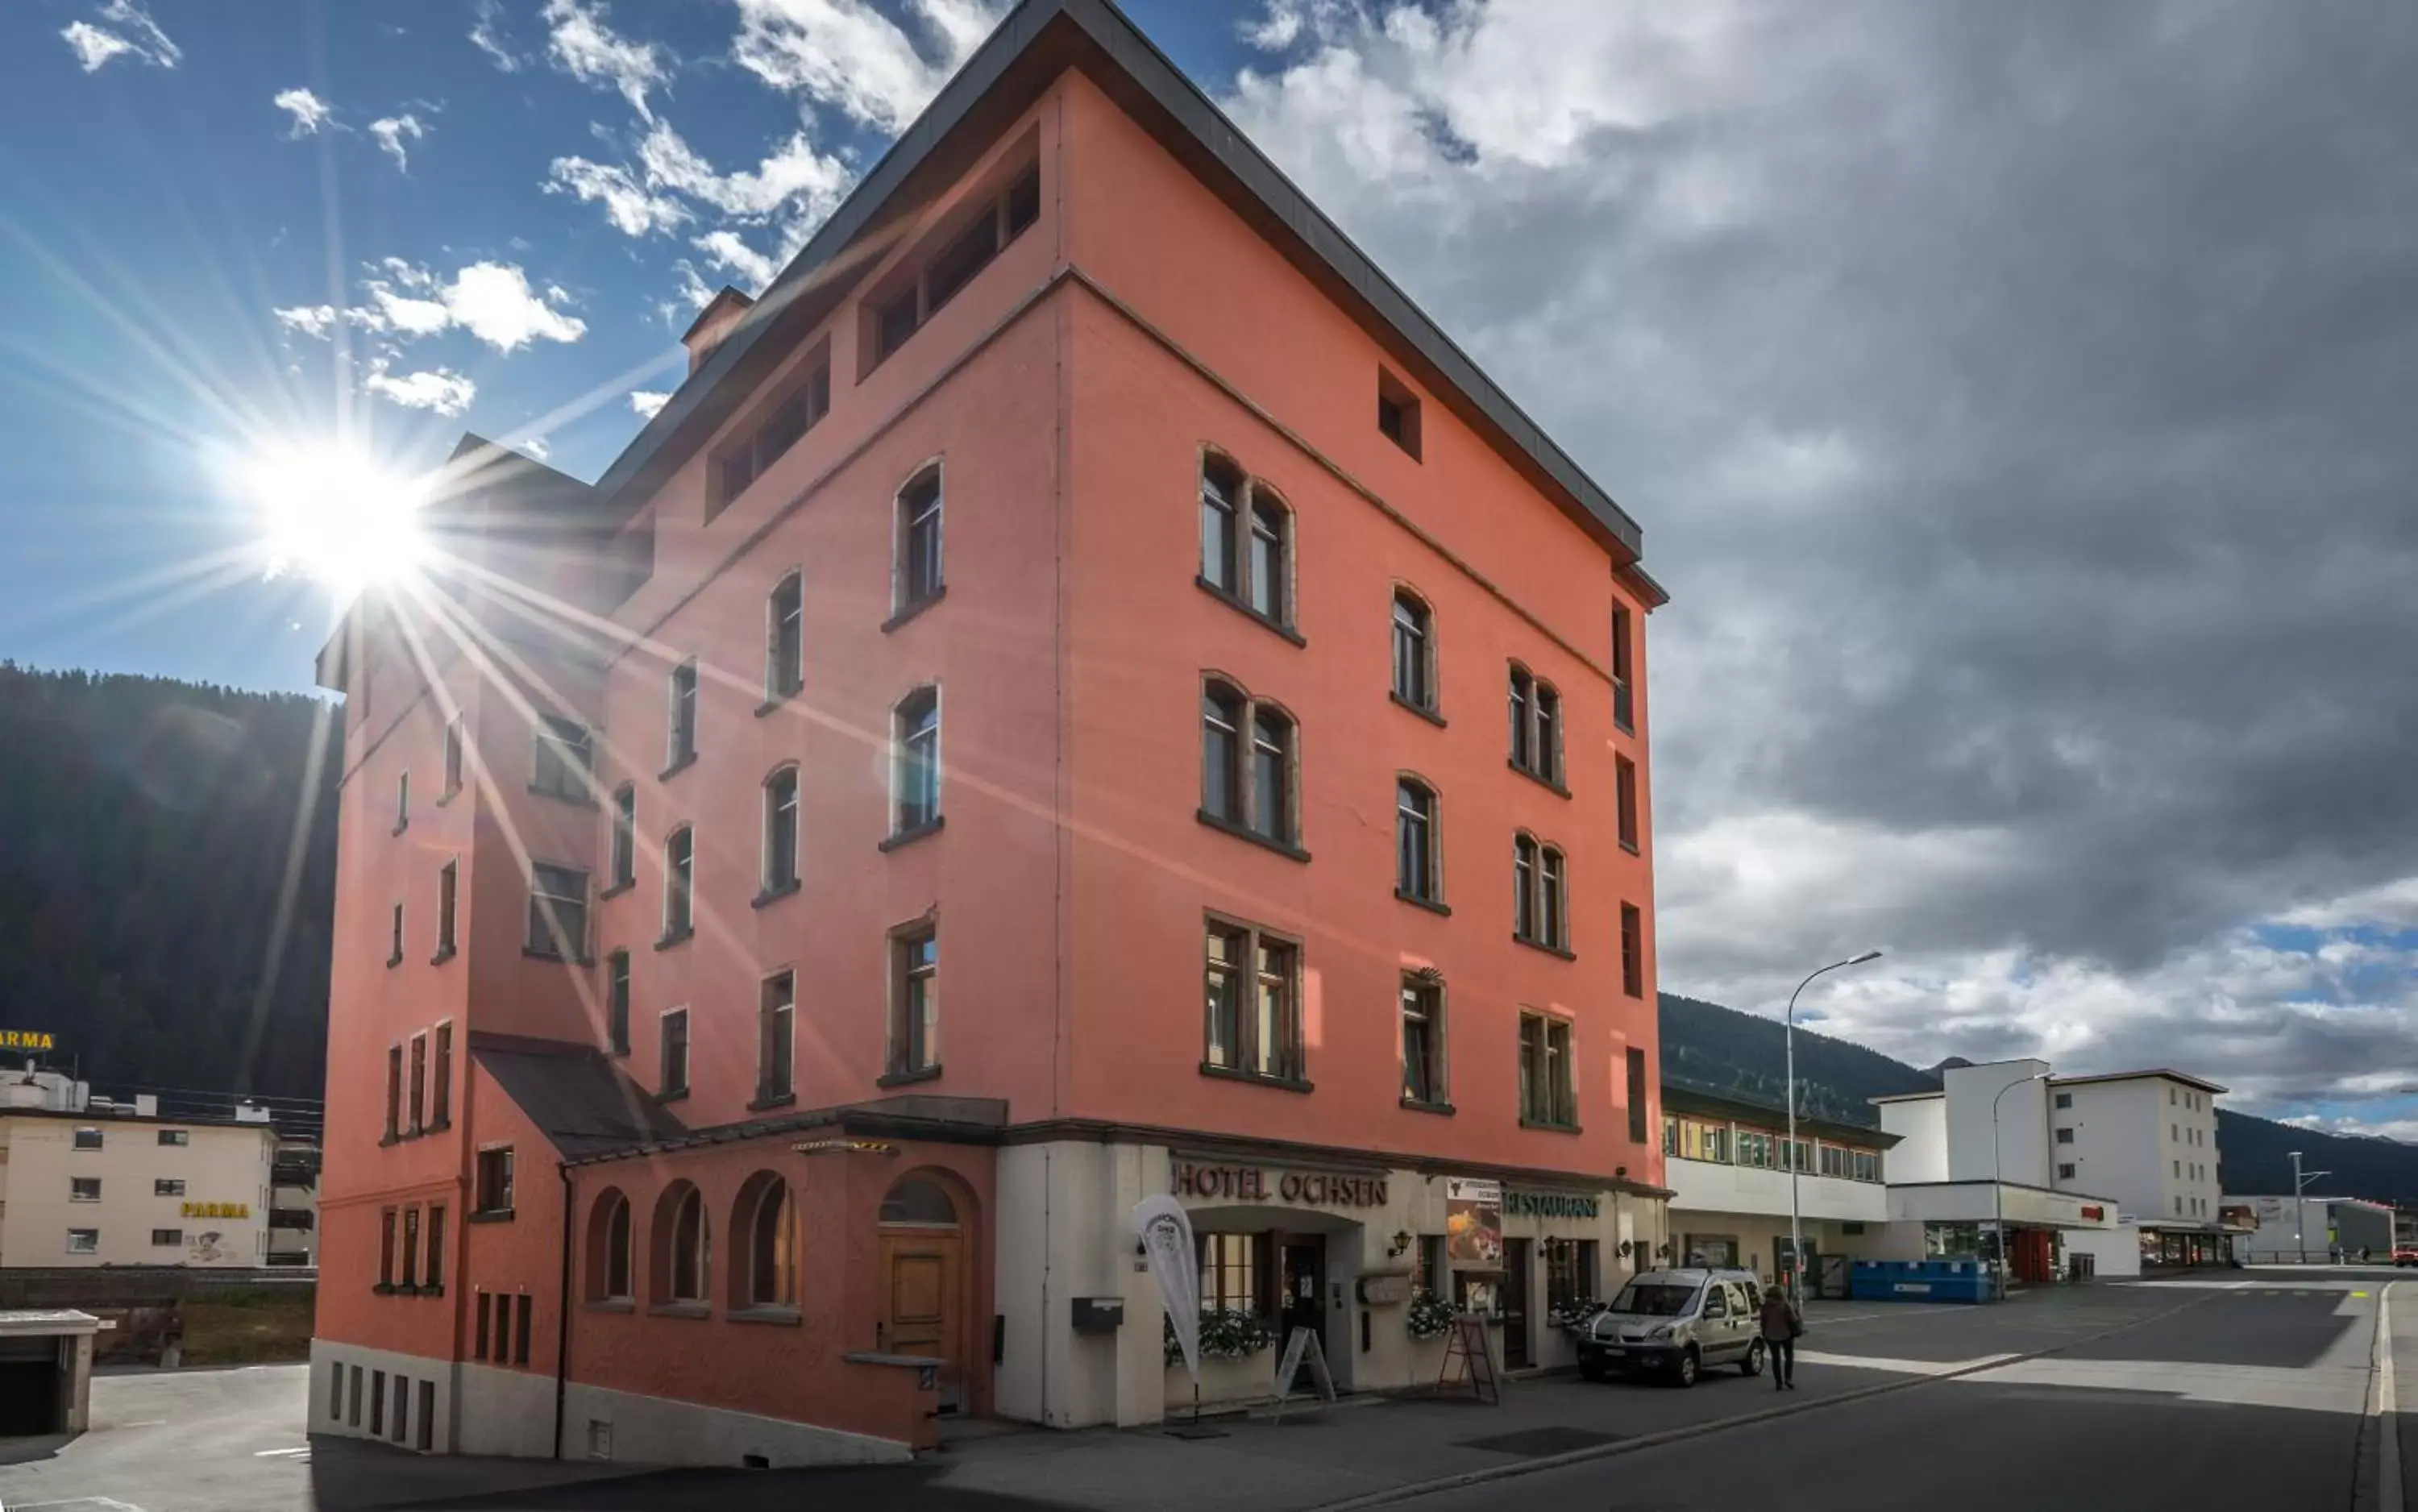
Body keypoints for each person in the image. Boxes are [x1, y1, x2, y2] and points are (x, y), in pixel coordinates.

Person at [1759, 1284, 1804, 1392]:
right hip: (1786, 1335)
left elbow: (1763, 1322)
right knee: (1789, 1356)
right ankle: (1788, 1378)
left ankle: (1778, 1382)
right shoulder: (1785, 1305)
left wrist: (1764, 1333)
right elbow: (1793, 1320)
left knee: (1776, 1359)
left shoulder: (1765, 1306)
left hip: (1771, 1335)